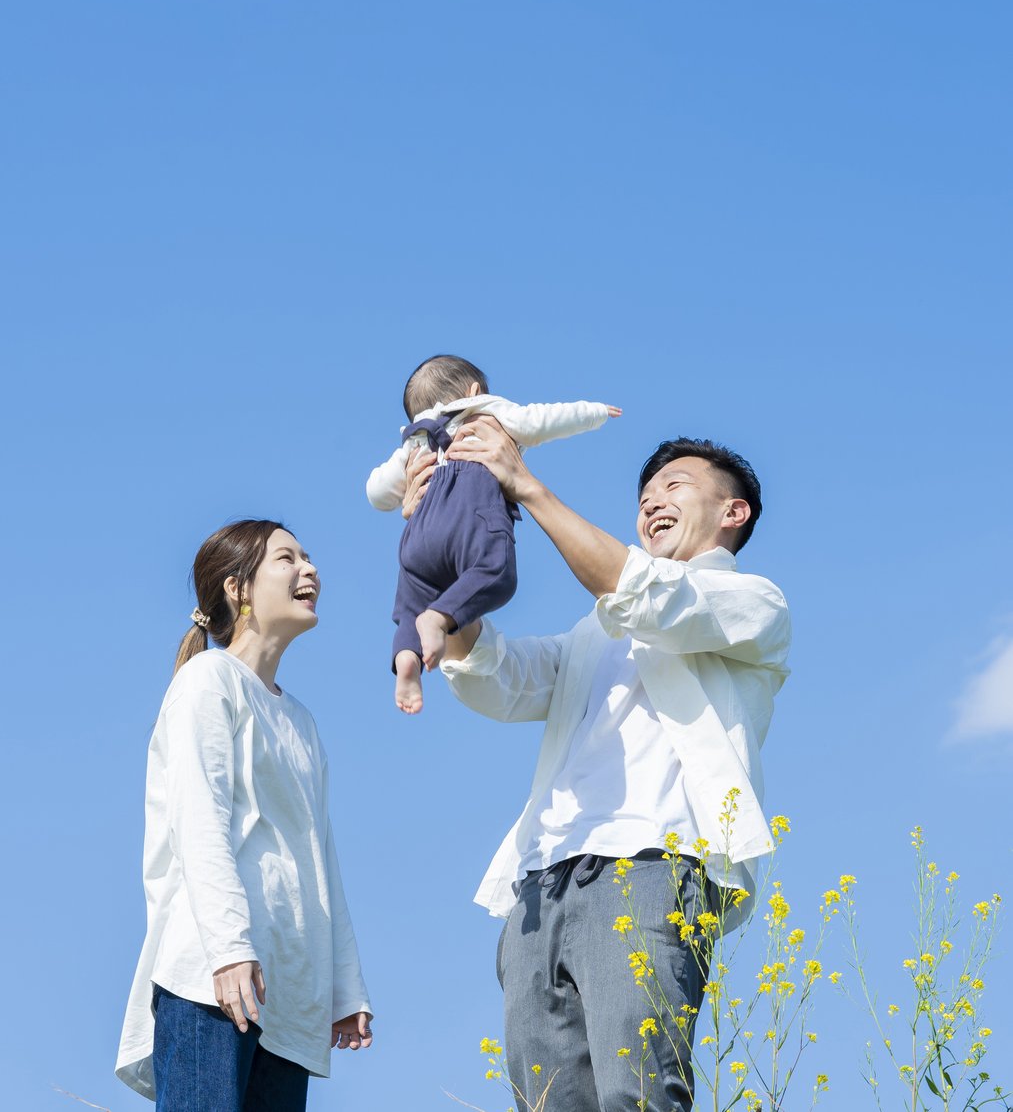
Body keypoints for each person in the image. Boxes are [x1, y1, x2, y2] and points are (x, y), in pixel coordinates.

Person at [410, 422, 790, 1112]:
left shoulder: (751, 603)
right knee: (548, 1101)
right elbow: (502, 676)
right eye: (644, 493)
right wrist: (442, 537)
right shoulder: (594, 630)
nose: (651, 502)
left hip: (651, 863)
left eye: (674, 485)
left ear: (732, 512)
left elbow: (649, 596)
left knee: (635, 1092)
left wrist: (527, 485)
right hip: (543, 877)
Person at [116, 520, 373, 1111]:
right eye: (287, 559)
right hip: (214, 977)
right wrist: (229, 948)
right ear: (239, 588)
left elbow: (319, 855)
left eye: (308, 557)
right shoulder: (207, 682)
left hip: (289, 994)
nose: (310, 570)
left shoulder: (302, 721)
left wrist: (344, 982)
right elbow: (198, 823)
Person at [366, 353, 620, 713]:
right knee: (495, 572)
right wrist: (593, 413)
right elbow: (541, 420)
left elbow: (377, 493)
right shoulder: (487, 413)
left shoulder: (414, 441)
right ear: (473, 390)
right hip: (470, 515)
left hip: (419, 527)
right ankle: (439, 618)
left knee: (411, 602)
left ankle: (406, 656)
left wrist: (408, 481)